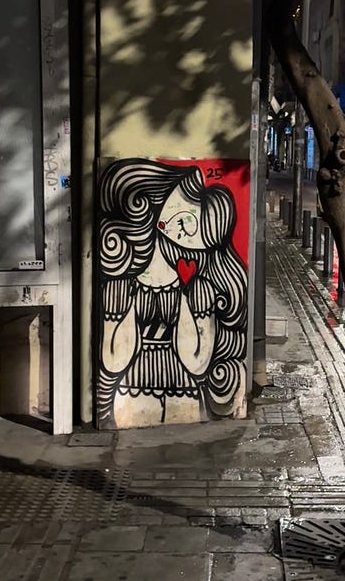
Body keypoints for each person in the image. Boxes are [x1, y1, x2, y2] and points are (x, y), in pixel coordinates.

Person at [98, 158, 248, 428]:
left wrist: (187, 301)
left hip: (178, 390)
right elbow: (112, 361)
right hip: (140, 388)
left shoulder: (198, 288)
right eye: (183, 219)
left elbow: (197, 362)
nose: (188, 230)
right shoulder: (120, 286)